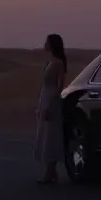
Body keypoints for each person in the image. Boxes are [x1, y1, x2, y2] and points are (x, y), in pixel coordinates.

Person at [34, 33, 68, 184]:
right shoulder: (50, 61)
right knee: (45, 134)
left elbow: (60, 85)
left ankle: (50, 172)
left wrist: (50, 104)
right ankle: (51, 172)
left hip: (52, 100)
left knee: (51, 135)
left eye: (47, 42)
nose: (44, 44)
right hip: (45, 98)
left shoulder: (58, 63)